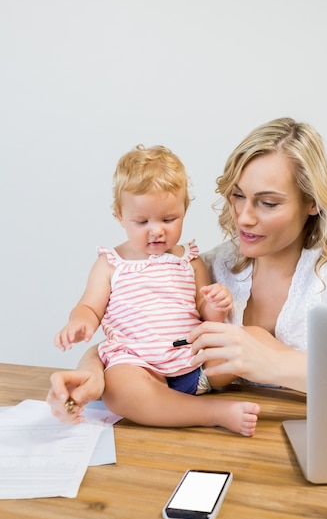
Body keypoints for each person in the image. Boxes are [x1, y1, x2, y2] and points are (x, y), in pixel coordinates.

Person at [48, 118, 327, 418]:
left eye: (267, 202)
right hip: (231, 443)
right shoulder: (214, 266)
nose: (244, 217)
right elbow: (141, 340)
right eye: (237, 195)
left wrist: (277, 363)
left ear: (311, 202)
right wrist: (90, 372)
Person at [53, 144, 260, 436]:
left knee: (240, 343)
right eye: (142, 221)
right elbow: (89, 306)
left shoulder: (189, 260)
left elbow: (206, 313)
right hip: (139, 367)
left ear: (184, 210)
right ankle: (214, 413)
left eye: (168, 219)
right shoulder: (111, 264)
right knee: (119, 389)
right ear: (119, 216)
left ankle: (193, 399)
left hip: (194, 366)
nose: (156, 230)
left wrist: (218, 301)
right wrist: (80, 322)